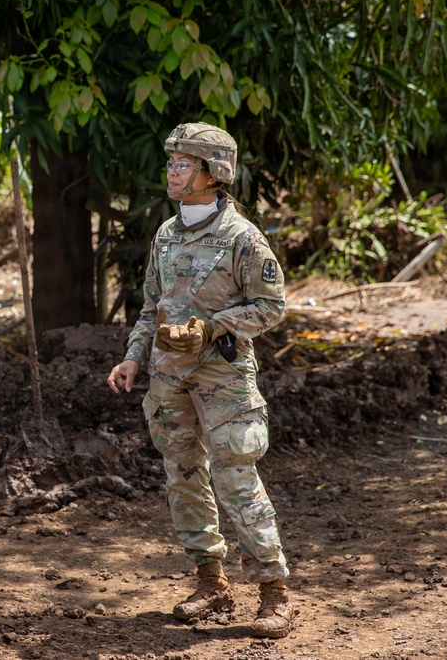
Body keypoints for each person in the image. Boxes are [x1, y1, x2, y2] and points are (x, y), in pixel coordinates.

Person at [106, 122, 295, 639]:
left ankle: (274, 592)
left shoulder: (242, 238)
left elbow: (272, 305)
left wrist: (215, 326)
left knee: (236, 478)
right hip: (169, 378)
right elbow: (151, 306)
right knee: (183, 476)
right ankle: (210, 582)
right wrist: (133, 359)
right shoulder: (165, 235)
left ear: (214, 174)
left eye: (183, 163)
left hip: (224, 377)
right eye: (171, 162)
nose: (172, 171)